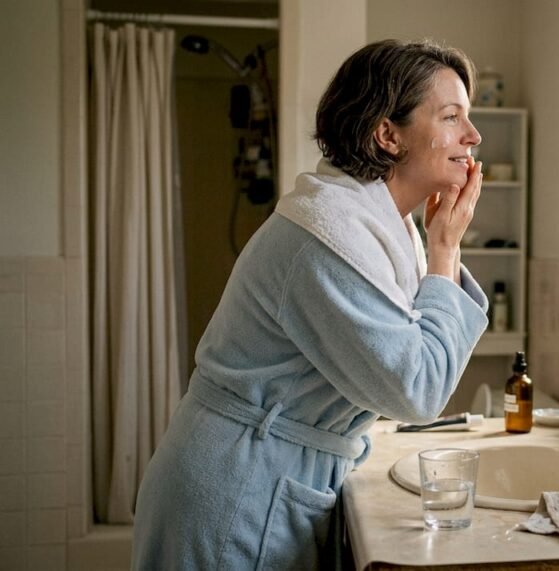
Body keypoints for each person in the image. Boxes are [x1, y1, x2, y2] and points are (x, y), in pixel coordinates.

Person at [131, 39, 488, 569]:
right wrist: (447, 249)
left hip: (272, 469)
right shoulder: (328, 236)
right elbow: (418, 389)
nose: (473, 136)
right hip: (235, 490)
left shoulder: (377, 226)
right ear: (387, 134)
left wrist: (437, 247)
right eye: (452, 117)